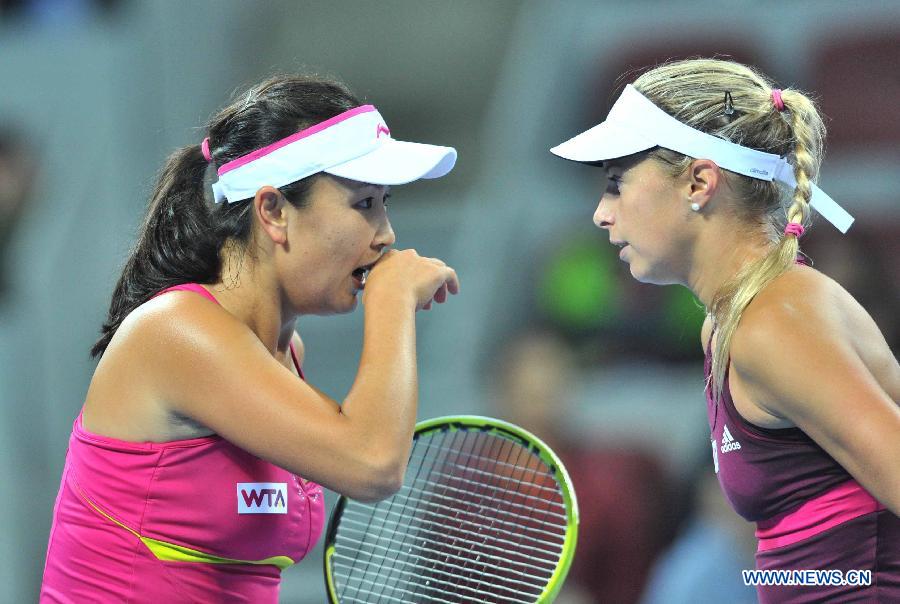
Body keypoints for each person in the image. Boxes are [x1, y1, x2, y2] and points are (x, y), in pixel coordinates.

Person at [40, 74, 460, 602]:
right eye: (363, 205)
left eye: (385, 202)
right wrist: (392, 301)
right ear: (274, 212)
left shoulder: (286, 355)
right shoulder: (174, 332)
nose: (387, 235)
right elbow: (372, 463)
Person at [550, 58, 899, 602]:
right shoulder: (730, 324)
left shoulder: (773, 324)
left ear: (699, 182)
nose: (601, 213)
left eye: (617, 184)